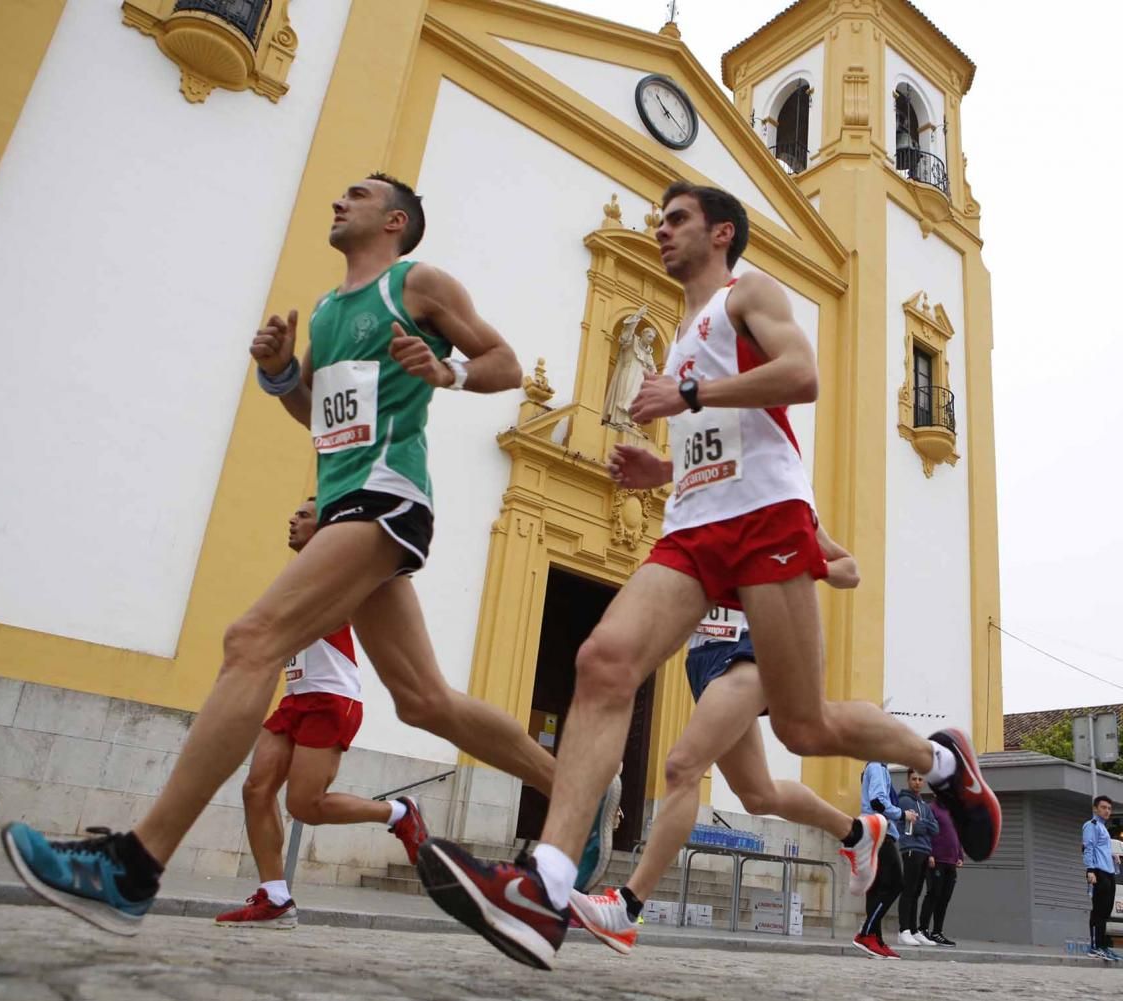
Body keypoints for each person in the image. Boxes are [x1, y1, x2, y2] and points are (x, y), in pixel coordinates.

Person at [0, 172, 617, 935]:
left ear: (394, 220)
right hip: (342, 499)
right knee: (423, 699)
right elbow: (322, 420)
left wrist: (445, 369)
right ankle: (578, 790)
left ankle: (135, 865)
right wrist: (281, 372)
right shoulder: (328, 310)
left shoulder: (415, 284)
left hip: (388, 496)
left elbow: (506, 364)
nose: (338, 200)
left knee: (250, 640)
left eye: (357, 194)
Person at [413, 180, 1002, 971]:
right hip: (693, 526)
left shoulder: (745, 294)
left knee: (804, 726)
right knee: (603, 659)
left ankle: (937, 761)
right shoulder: (684, 330)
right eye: (659, 218)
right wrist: (660, 463)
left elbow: (801, 376)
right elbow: (716, 434)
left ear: (721, 233)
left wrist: (688, 391)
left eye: (677, 218)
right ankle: (546, 885)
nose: (661, 229)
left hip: (765, 519)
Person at [564, 524, 887, 956]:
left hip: (748, 649)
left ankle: (627, 907)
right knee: (758, 794)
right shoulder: (706, 503)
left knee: (683, 767)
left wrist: (810, 564)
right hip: (702, 656)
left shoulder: (782, 502)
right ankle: (856, 832)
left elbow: (850, 570)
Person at [214, 498, 427, 929]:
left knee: (306, 806)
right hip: (295, 697)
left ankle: (400, 813)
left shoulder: (339, 574)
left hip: (332, 699)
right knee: (256, 790)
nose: (291, 518)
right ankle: (275, 897)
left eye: (304, 515)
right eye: (293, 512)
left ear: (327, 529)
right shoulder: (296, 575)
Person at [853, 760, 910, 959]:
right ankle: (866, 933)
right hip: (878, 831)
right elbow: (877, 801)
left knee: (876, 887)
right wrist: (902, 814)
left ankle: (875, 939)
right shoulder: (877, 767)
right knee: (896, 884)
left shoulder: (877, 768)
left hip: (875, 831)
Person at [895, 767, 939, 948]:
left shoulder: (924, 805)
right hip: (911, 849)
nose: (917, 782)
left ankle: (914, 930)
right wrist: (924, 825)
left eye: (920, 779)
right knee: (909, 890)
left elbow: (935, 829)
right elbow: (917, 829)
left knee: (917, 892)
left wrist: (923, 823)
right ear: (908, 780)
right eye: (914, 779)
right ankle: (903, 929)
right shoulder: (905, 801)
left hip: (924, 850)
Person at [919, 798, 961, 946]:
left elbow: (956, 834)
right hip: (936, 861)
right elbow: (926, 832)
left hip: (951, 862)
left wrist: (959, 855)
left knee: (945, 898)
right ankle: (923, 929)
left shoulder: (952, 811)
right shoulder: (931, 809)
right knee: (933, 895)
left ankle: (937, 932)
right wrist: (929, 853)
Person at [1084, 794, 1120, 961]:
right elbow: (1088, 848)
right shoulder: (1091, 826)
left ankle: (1103, 946)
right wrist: (1090, 871)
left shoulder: (1104, 828)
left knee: (1105, 912)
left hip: (1109, 873)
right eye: (1103, 807)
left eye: (1109, 808)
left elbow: (1101, 849)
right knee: (1098, 911)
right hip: (1098, 872)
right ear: (1095, 808)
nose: (1107, 811)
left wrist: (1113, 856)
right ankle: (1094, 946)